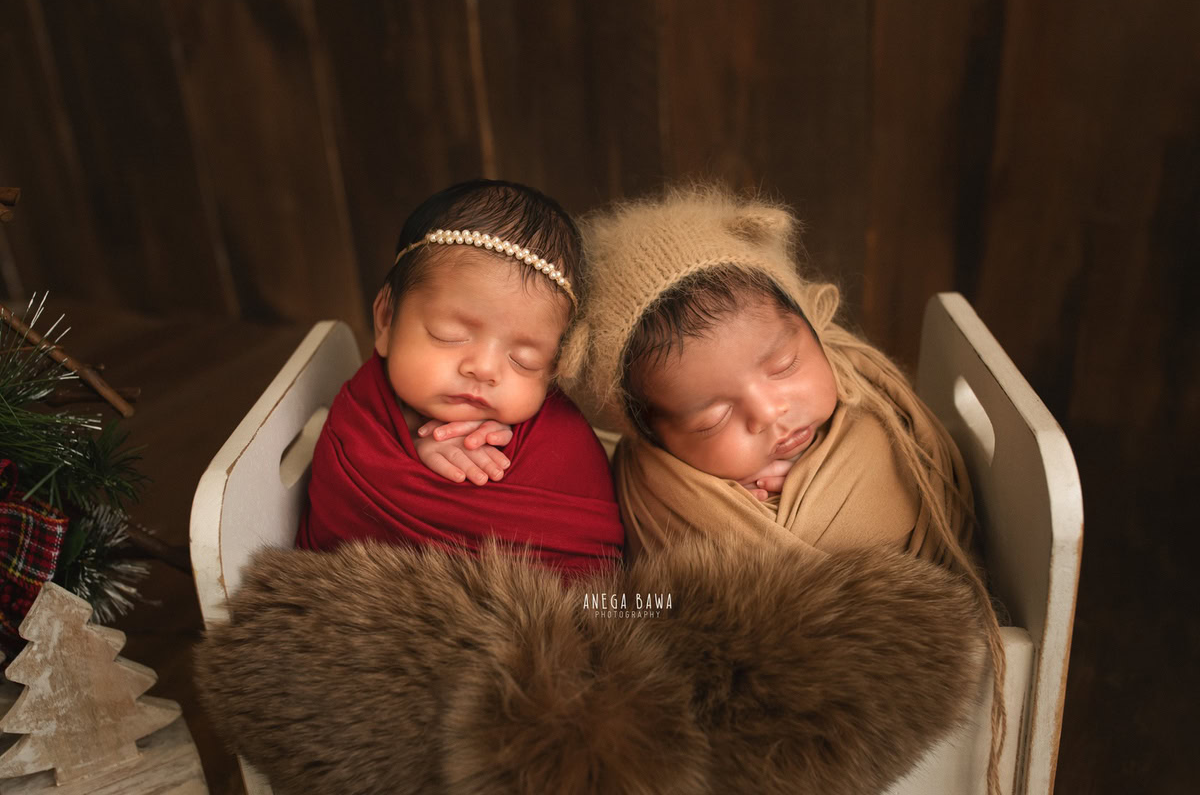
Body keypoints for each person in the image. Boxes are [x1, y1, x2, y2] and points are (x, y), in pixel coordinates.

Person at [558, 183, 1007, 793]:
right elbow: (656, 605)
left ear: (810, 327)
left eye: (784, 365)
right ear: (653, 436)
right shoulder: (645, 488)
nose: (771, 412)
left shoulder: (881, 425)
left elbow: (914, 518)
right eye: (712, 418)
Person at [296, 180, 624, 578]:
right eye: (448, 336)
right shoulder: (362, 424)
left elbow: (590, 570)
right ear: (385, 320)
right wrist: (420, 454)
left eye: (524, 360)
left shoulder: (560, 447)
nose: (484, 369)